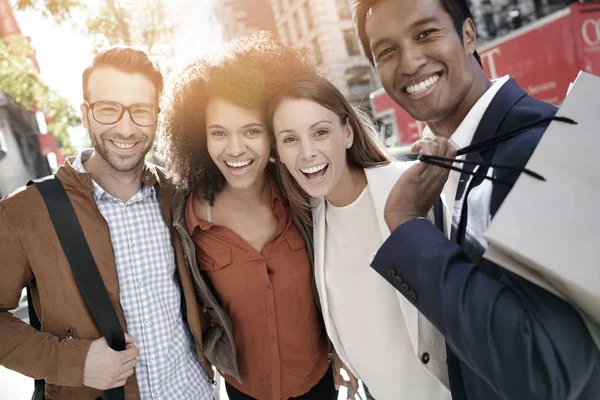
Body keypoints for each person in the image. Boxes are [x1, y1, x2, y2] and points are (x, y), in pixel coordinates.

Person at [354, 0, 600, 398]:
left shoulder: (538, 149)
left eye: (425, 33)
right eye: (387, 51)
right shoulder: (444, 165)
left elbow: (544, 371)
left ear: (468, 35)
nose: (410, 61)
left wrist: (405, 223)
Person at [0, 46, 214, 399]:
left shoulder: (179, 196)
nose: (126, 128)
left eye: (141, 111)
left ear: (157, 117)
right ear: (85, 114)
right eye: (108, 110)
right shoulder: (25, 213)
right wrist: (74, 361)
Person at [159, 32, 338, 400]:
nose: (235, 149)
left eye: (251, 131)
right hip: (244, 390)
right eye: (218, 133)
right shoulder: (187, 218)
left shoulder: (305, 196)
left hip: (320, 382)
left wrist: (347, 351)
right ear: (199, 137)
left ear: (272, 134)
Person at [268, 73, 451, 400]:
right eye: (290, 139)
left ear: (348, 133)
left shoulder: (407, 189)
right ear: (278, 152)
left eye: (320, 132)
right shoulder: (311, 218)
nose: (307, 152)